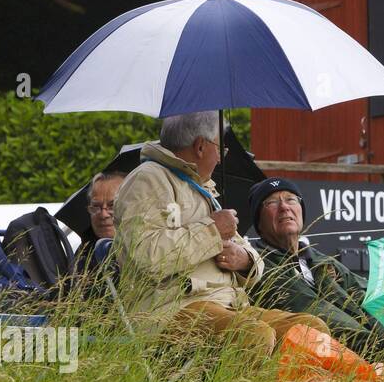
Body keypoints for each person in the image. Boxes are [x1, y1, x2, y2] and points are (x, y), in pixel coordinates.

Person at [112, 111, 329, 359]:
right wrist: (211, 231)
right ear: (201, 146)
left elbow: (251, 259)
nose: (221, 157)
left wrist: (244, 261)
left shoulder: (204, 188)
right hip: (169, 310)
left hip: (230, 306)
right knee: (253, 335)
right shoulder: (147, 180)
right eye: (220, 147)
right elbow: (147, 256)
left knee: (309, 330)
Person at [249, 177, 384, 361]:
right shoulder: (256, 264)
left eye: (290, 199)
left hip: (379, 348)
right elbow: (304, 304)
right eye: (271, 202)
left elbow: (366, 294)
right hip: (336, 353)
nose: (284, 207)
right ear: (259, 223)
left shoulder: (323, 261)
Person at [70, 171, 125, 273]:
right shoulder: (83, 255)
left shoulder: (150, 250)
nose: (103, 215)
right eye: (96, 206)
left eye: (112, 206)